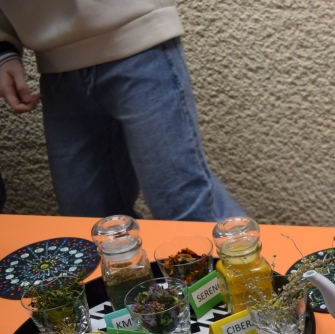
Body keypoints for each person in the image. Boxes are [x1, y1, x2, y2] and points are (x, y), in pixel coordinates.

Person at [0, 1, 246, 221]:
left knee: (186, 211)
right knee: (91, 226)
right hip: (55, 67)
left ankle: (251, 259)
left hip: (137, 39)